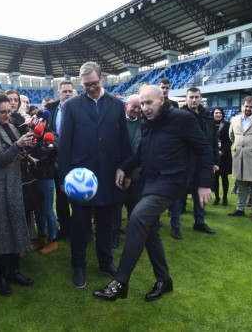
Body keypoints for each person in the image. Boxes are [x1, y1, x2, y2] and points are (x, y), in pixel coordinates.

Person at [92, 85, 213, 302]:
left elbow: (204, 149)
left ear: (162, 99)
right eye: (142, 104)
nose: (145, 108)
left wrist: (204, 184)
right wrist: (124, 167)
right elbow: (140, 153)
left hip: (171, 183)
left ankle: (120, 281)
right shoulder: (147, 123)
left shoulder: (182, 119)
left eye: (149, 103)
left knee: (137, 218)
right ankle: (164, 280)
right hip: (149, 182)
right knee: (150, 231)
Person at [58, 61, 131, 289]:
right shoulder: (71, 106)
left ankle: (105, 262)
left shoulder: (117, 105)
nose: (89, 88)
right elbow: (65, 144)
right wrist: (63, 177)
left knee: (106, 222)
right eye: (85, 84)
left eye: (93, 83)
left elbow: (123, 141)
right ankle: (78, 266)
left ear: (102, 79)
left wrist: (126, 168)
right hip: (81, 178)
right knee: (79, 224)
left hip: (109, 174)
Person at [0, 92, 36, 296]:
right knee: (1, 232)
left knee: (16, 227)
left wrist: (27, 152)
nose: (6, 115)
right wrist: (19, 145)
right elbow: (1, 158)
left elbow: (15, 153)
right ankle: (0, 277)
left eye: (9, 111)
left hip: (14, 183)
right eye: (2, 112)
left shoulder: (10, 125)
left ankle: (14, 271)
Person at [177, 87, 218, 236]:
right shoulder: (180, 116)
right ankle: (176, 225)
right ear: (186, 99)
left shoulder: (207, 117)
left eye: (196, 97)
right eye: (191, 97)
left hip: (203, 162)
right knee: (179, 193)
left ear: (201, 98)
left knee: (200, 193)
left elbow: (213, 141)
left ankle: (199, 222)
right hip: (185, 161)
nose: (193, 100)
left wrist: (215, 161)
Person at [46, 80, 74, 239]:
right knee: (61, 195)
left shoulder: (79, 107)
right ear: (59, 93)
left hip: (76, 159)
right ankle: (65, 227)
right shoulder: (50, 110)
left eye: (70, 91)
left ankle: (79, 227)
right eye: (65, 91)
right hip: (56, 158)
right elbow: (49, 130)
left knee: (76, 195)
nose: (68, 94)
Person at [113, 94, 142, 248]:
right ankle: (115, 235)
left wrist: (130, 173)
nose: (136, 110)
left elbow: (140, 152)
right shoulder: (116, 123)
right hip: (118, 173)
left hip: (137, 175)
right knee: (116, 207)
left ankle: (134, 236)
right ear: (126, 106)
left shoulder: (144, 124)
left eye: (139, 107)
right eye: (134, 106)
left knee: (135, 207)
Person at [30, 116, 59, 254]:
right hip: (34, 177)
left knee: (47, 209)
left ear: (46, 122)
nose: (39, 124)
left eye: (42, 121)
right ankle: (42, 237)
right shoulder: (31, 134)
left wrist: (51, 147)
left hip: (47, 177)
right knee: (37, 210)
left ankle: (53, 240)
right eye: (37, 121)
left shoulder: (51, 135)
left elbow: (56, 148)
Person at [212, 107, 232, 206]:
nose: (218, 114)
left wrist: (223, 151)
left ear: (223, 114)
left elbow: (230, 139)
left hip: (225, 155)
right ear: (213, 114)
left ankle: (225, 198)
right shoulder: (209, 125)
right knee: (215, 178)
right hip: (214, 156)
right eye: (216, 113)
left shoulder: (227, 125)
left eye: (220, 113)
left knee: (224, 177)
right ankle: (217, 198)